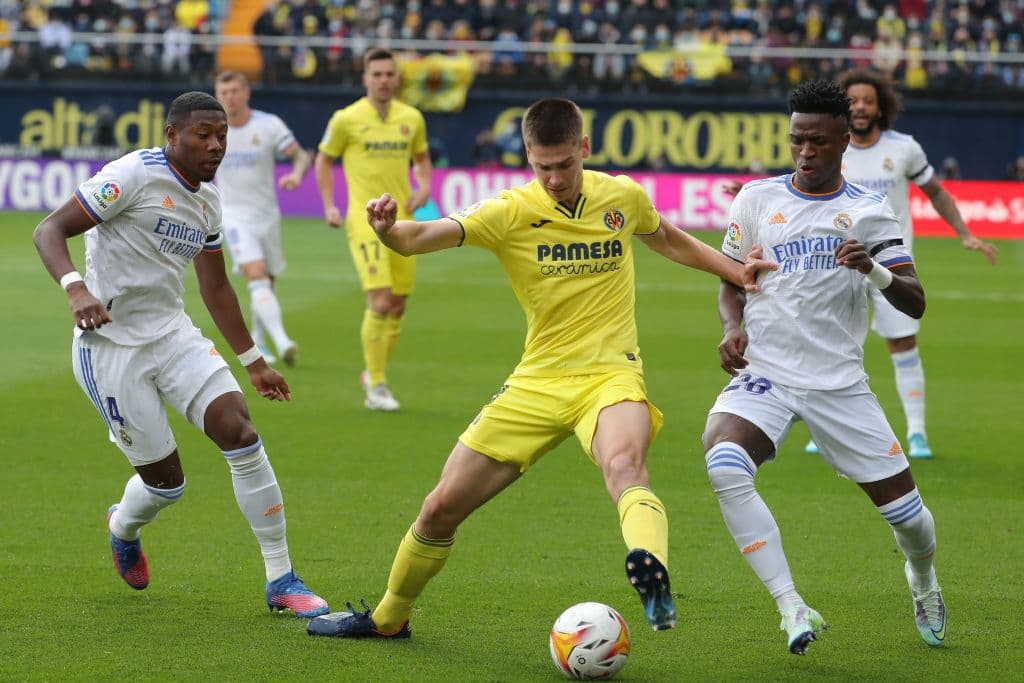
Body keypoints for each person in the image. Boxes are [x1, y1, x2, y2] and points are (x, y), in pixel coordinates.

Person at [307, 97, 770, 640]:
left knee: (625, 465)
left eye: (565, 164)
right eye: (542, 166)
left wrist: (736, 273)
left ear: (584, 149)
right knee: (439, 509)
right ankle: (388, 619)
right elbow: (420, 238)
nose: (554, 178)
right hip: (536, 382)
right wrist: (388, 231)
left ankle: (652, 575)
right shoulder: (509, 211)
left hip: (610, 376)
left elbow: (668, 239)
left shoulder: (621, 196)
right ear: (528, 156)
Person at [32, 91, 329, 618]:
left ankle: (281, 578)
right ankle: (123, 526)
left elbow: (215, 288)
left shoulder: (208, 200)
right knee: (166, 486)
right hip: (110, 347)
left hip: (172, 335)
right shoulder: (132, 176)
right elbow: (49, 229)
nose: (216, 145)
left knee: (240, 431)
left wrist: (254, 362)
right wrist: (76, 289)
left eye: (222, 136)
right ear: (172, 135)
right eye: (203, 135)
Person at [703, 79, 946, 656]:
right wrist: (732, 328)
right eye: (797, 140)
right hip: (767, 372)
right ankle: (791, 605)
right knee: (723, 461)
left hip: (838, 384)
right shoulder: (755, 199)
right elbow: (730, 282)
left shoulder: (867, 211)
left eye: (817, 141)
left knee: (910, 521)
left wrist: (874, 270)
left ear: (843, 142)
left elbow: (915, 300)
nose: (805, 152)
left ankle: (923, 579)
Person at [802, 69, 998, 459]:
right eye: (853, 101)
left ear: (881, 107)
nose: (860, 107)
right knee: (829, 343)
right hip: (837, 264)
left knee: (903, 343)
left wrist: (964, 233)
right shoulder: (831, 148)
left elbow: (935, 192)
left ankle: (917, 433)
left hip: (892, 265)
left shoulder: (904, 148)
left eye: (868, 101)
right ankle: (823, 428)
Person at [314, 47, 433, 412]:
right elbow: (324, 160)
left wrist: (425, 186)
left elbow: (422, 158)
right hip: (365, 220)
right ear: (366, 78)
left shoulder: (411, 118)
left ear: (397, 78)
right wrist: (329, 205)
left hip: (403, 220)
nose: (383, 80)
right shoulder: (346, 119)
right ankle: (377, 386)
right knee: (380, 300)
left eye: (389, 74)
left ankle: (373, 371)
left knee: (397, 306)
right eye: (377, 74)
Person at [214, 70, 311, 366]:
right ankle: (283, 342)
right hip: (232, 215)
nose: (230, 97)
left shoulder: (268, 125)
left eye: (234, 91)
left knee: (267, 279)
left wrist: (297, 175)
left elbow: (301, 156)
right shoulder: (212, 129)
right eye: (224, 92)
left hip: (267, 215)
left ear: (246, 93)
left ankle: (258, 339)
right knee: (256, 273)